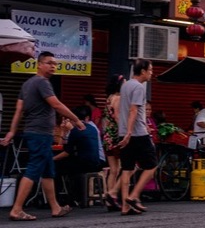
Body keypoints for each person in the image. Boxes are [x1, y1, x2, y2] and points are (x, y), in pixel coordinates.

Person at [1, 51, 83, 221]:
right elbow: (56, 104)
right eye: (49, 63)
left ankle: (55, 207)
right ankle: (16, 209)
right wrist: (76, 120)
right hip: (40, 133)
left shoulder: (27, 84)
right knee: (34, 169)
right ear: (39, 64)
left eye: (55, 63)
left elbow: (18, 111)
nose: (53, 66)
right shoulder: (42, 82)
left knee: (47, 170)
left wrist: (12, 131)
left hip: (35, 132)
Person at [118, 58, 158, 216]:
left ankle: (125, 206)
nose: (151, 73)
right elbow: (133, 111)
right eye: (150, 70)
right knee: (152, 165)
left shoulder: (125, 85)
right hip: (138, 133)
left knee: (126, 169)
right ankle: (134, 196)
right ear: (142, 71)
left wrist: (125, 133)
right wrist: (129, 132)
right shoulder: (139, 87)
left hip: (124, 133)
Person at [54, 105, 103, 204]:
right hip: (95, 161)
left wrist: (52, 159)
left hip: (86, 163)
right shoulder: (92, 128)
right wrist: (65, 131)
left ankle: (61, 198)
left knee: (57, 167)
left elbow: (67, 152)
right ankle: (71, 196)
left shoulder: (76, 131)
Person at [101, 74, 125, 211]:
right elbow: (117, 117)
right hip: (116, 137)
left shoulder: (109, 98)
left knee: (113, 170)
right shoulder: (118, 98)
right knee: (126, 167)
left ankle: (111, 200)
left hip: (107, 137)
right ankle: (113, 194)